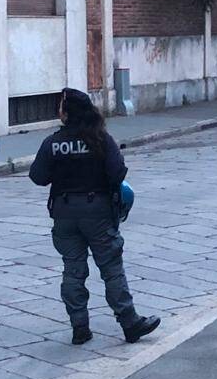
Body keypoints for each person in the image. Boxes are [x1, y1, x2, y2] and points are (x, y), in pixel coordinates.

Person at [29, 88, 160, 345]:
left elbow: (38, 176)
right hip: (98, 212)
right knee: (111, 268)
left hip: (65, 213)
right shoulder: (101, 139)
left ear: (67, 112)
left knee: (73, 269)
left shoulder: (53, 142)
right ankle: (129, 322)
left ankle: (79, 326)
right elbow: (118, 173)